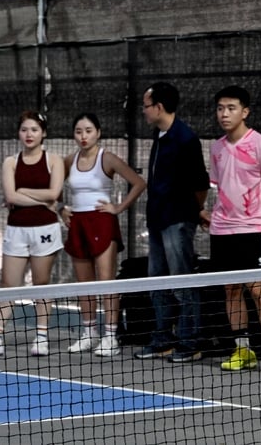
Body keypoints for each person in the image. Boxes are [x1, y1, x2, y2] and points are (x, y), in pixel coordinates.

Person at [200, 85, 261, 377]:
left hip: (251, 230)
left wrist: (255, 212)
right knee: (231, 291)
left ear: (245, 111)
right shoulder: (216, 148)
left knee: (259, 290)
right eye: (220, 108)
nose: (224, 114)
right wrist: (214, 215)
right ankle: (242, 350)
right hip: (221, 232)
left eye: (231, 108)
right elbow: (221, 187)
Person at [0, 110, 64, 357]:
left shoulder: (54, 160)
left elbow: (54, 194)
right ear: (19, 133)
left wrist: (24, 193)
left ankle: (41, 336)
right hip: (16, 231)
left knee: (41, 285)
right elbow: (11, 196)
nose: (29, 134)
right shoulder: (10, 162)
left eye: (34, 129)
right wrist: (41, 199)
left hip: (45, 231)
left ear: (43, 133)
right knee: (8, 284)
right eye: (24, 129)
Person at [135, 82, 210, 363]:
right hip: (157, 220)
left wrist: (195, 209)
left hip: (178, 221)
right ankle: (162, 339)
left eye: (146, 105)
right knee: (157, 282)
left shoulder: (186, 138)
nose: (143, 111)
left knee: (182, 283)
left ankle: (190, 342)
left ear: (159, 107)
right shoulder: (159, 135)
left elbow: (200, 184)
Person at [61, 113, 146, 357]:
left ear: (98, 132)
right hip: (78, 223)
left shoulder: (106, 158)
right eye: (78, 131)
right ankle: (89, 333)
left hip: (102, 222)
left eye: (88, 130)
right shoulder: (69, 160)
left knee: (106, 282)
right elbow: (51, 185)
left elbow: (138, 183)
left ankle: (110, 336)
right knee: (84, 284)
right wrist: (61, 209)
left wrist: (117, 208)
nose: (83, 136)